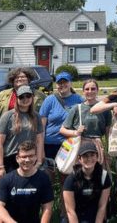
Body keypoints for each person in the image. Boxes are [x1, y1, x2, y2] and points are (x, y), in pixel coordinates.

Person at [40, 71, 83, 220]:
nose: (62, 85)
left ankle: (65, 215)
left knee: (66, 181)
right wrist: (40, 148)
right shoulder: (49, 100)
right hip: (49, 145)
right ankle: (46, 214)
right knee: (47, 181)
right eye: (59, 83)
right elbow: (42, 125)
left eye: (65, 82)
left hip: (68, 147)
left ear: (70, 83)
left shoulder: (78, 100)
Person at [0, 141, 54, 223]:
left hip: (32, 220)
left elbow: (47, 207)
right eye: (24, 157)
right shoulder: (7, 179)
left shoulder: (43, 178)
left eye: (31, 156)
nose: (27, 160)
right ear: (17, 158)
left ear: (36, 157)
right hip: (9, 220)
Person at [0, 85, 44, 181]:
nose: (25, 99)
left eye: (28, 96)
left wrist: (38, 161)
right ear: (16, 99)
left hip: (29, 158)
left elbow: (40, 140)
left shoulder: (36, 116)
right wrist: (0, 166)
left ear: (32, 98)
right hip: (10, 158)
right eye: (21, 97)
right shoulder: (8, 116)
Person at [61, 79, 112, 171]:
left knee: (98, 174)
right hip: (80, 146)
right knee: (81, 175)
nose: (90, 91)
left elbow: (108, 132)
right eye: (87, 89)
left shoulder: (104, 109)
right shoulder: (77, 108)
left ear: (97, 90)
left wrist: (109, 151)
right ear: (83, 91)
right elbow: (62, 129)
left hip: (97, 146)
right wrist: (76, 132)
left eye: (93, 89)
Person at [63, 141, 112, 223]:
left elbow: (102, 206)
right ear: (79, 159)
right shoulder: (71, 179)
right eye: (85, 156)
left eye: (92, 155)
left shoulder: (104, 176)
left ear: (97, 157)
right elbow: (70, 211)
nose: (89, 159)